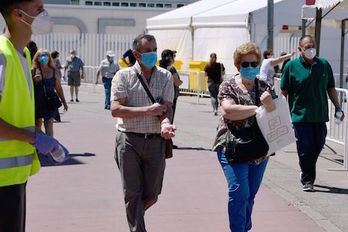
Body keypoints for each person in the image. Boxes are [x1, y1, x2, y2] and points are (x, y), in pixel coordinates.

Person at [0, 1, 68, 231]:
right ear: (18, 14)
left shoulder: (22, 56)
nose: (44, 12)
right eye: (38, 8)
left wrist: (39, 136)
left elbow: (16, 115)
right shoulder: (2, 55)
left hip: (13, 177)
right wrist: (34, 138)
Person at [111, 34, 175, 232]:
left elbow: (167, 107)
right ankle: (137, 227)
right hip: (129, 140)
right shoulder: (123, 76)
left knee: (153, 194)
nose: (153, 54)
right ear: (136, 54)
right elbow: (115, 109)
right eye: (148, 51)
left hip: (156, 141)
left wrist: (166, 123)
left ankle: (135, 214)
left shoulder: (165, 76)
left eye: (154, 49)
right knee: (132, 192)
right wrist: (146, 111)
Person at [212, 42, 275, 232]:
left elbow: (275, 114)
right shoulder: (228, 85)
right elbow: (228, 110)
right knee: (239, 191)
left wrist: (270, 106)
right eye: (245, 64)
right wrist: (258, 108)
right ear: (238, 66)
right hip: (232, 146)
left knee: (250, 195)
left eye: (253, 64)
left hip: (259, 148)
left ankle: (244, 227)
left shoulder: (264, 86)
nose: (250, 68)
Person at [281, 35, 344, 192]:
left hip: (319, 115)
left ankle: (305, 166)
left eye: (313, 46)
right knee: (305, 147)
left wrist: (338, 107)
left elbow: (330, 87)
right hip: (300, 116)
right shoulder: (291, 66)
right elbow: (284, 91)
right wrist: (280, 113)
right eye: (307, 47)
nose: (311, 49)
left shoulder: (323, 64)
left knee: (318, 145)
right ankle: (308, 180)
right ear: (300, 49)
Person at [32, 49, 68, 136]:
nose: (43, 57)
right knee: (37, 124)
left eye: (45, 55)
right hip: (37, 101)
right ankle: (39, 146)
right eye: (41, 55)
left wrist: (64, 102)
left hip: (50, 100)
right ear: (37, 58)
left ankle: (49, 146)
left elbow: (58, 87)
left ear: (49, 58)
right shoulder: (33, 70)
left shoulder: (54, 71)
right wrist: (34, 81)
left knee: (49, 123)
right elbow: (27, 87)